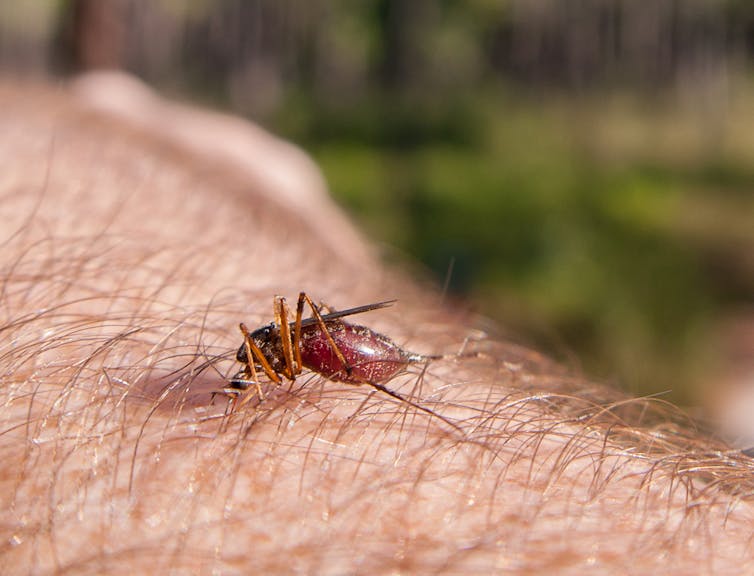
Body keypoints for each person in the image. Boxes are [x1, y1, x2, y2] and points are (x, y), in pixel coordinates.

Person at [1, 74, 752, 574]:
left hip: (339, 346)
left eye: (252, 369)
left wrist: (280, 369)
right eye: (252, 370)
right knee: (303, 332)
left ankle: (389, 370)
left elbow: (291, 342)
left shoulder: (285, 351)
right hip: (332, 341)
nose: (248, 373)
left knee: (308, 335)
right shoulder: (273, 351)